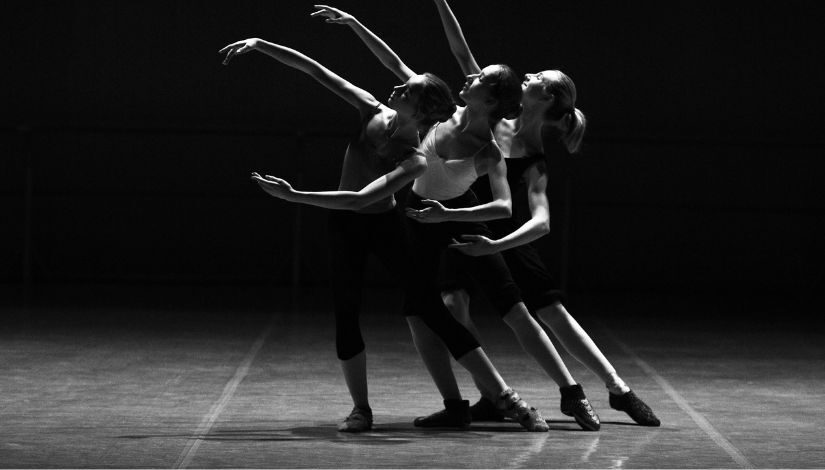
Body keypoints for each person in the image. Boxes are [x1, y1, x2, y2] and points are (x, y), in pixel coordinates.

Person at [219, 36, 549, 432]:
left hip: (384, 226)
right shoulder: (370, 108)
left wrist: (294, 196)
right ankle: (361, 409)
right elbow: (315, 69)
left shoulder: (414, 160)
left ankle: (506, 397)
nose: (395, 87)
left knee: (430, 308)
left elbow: (360, 200)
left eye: (406, 90)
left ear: (419, 107)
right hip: (345, 227)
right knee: (346, 312)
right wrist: (262, 44)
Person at [311, 5, 599, 431]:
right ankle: (466, 402)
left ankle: (559, 393)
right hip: (421, 225)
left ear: (492, 98)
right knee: (426, 312)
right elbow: (403, 61)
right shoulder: (442, 113)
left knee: (513, 308)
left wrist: (453, 215)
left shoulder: (489, 146)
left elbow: (504, 207)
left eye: (479, 79)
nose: (469, 76)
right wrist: (357, 25)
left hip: (457, 226)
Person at [429, 0, 661, 427]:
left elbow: (542, 220)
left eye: (536, 77)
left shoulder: (535, 158)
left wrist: (499, 243)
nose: (528, 76)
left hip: (503, 233)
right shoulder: (493, 117)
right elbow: (462, 52)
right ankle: (491, 394)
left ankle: (617, 389)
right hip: (463, 220)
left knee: (550, 310)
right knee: (452, 301)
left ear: (546, 95)